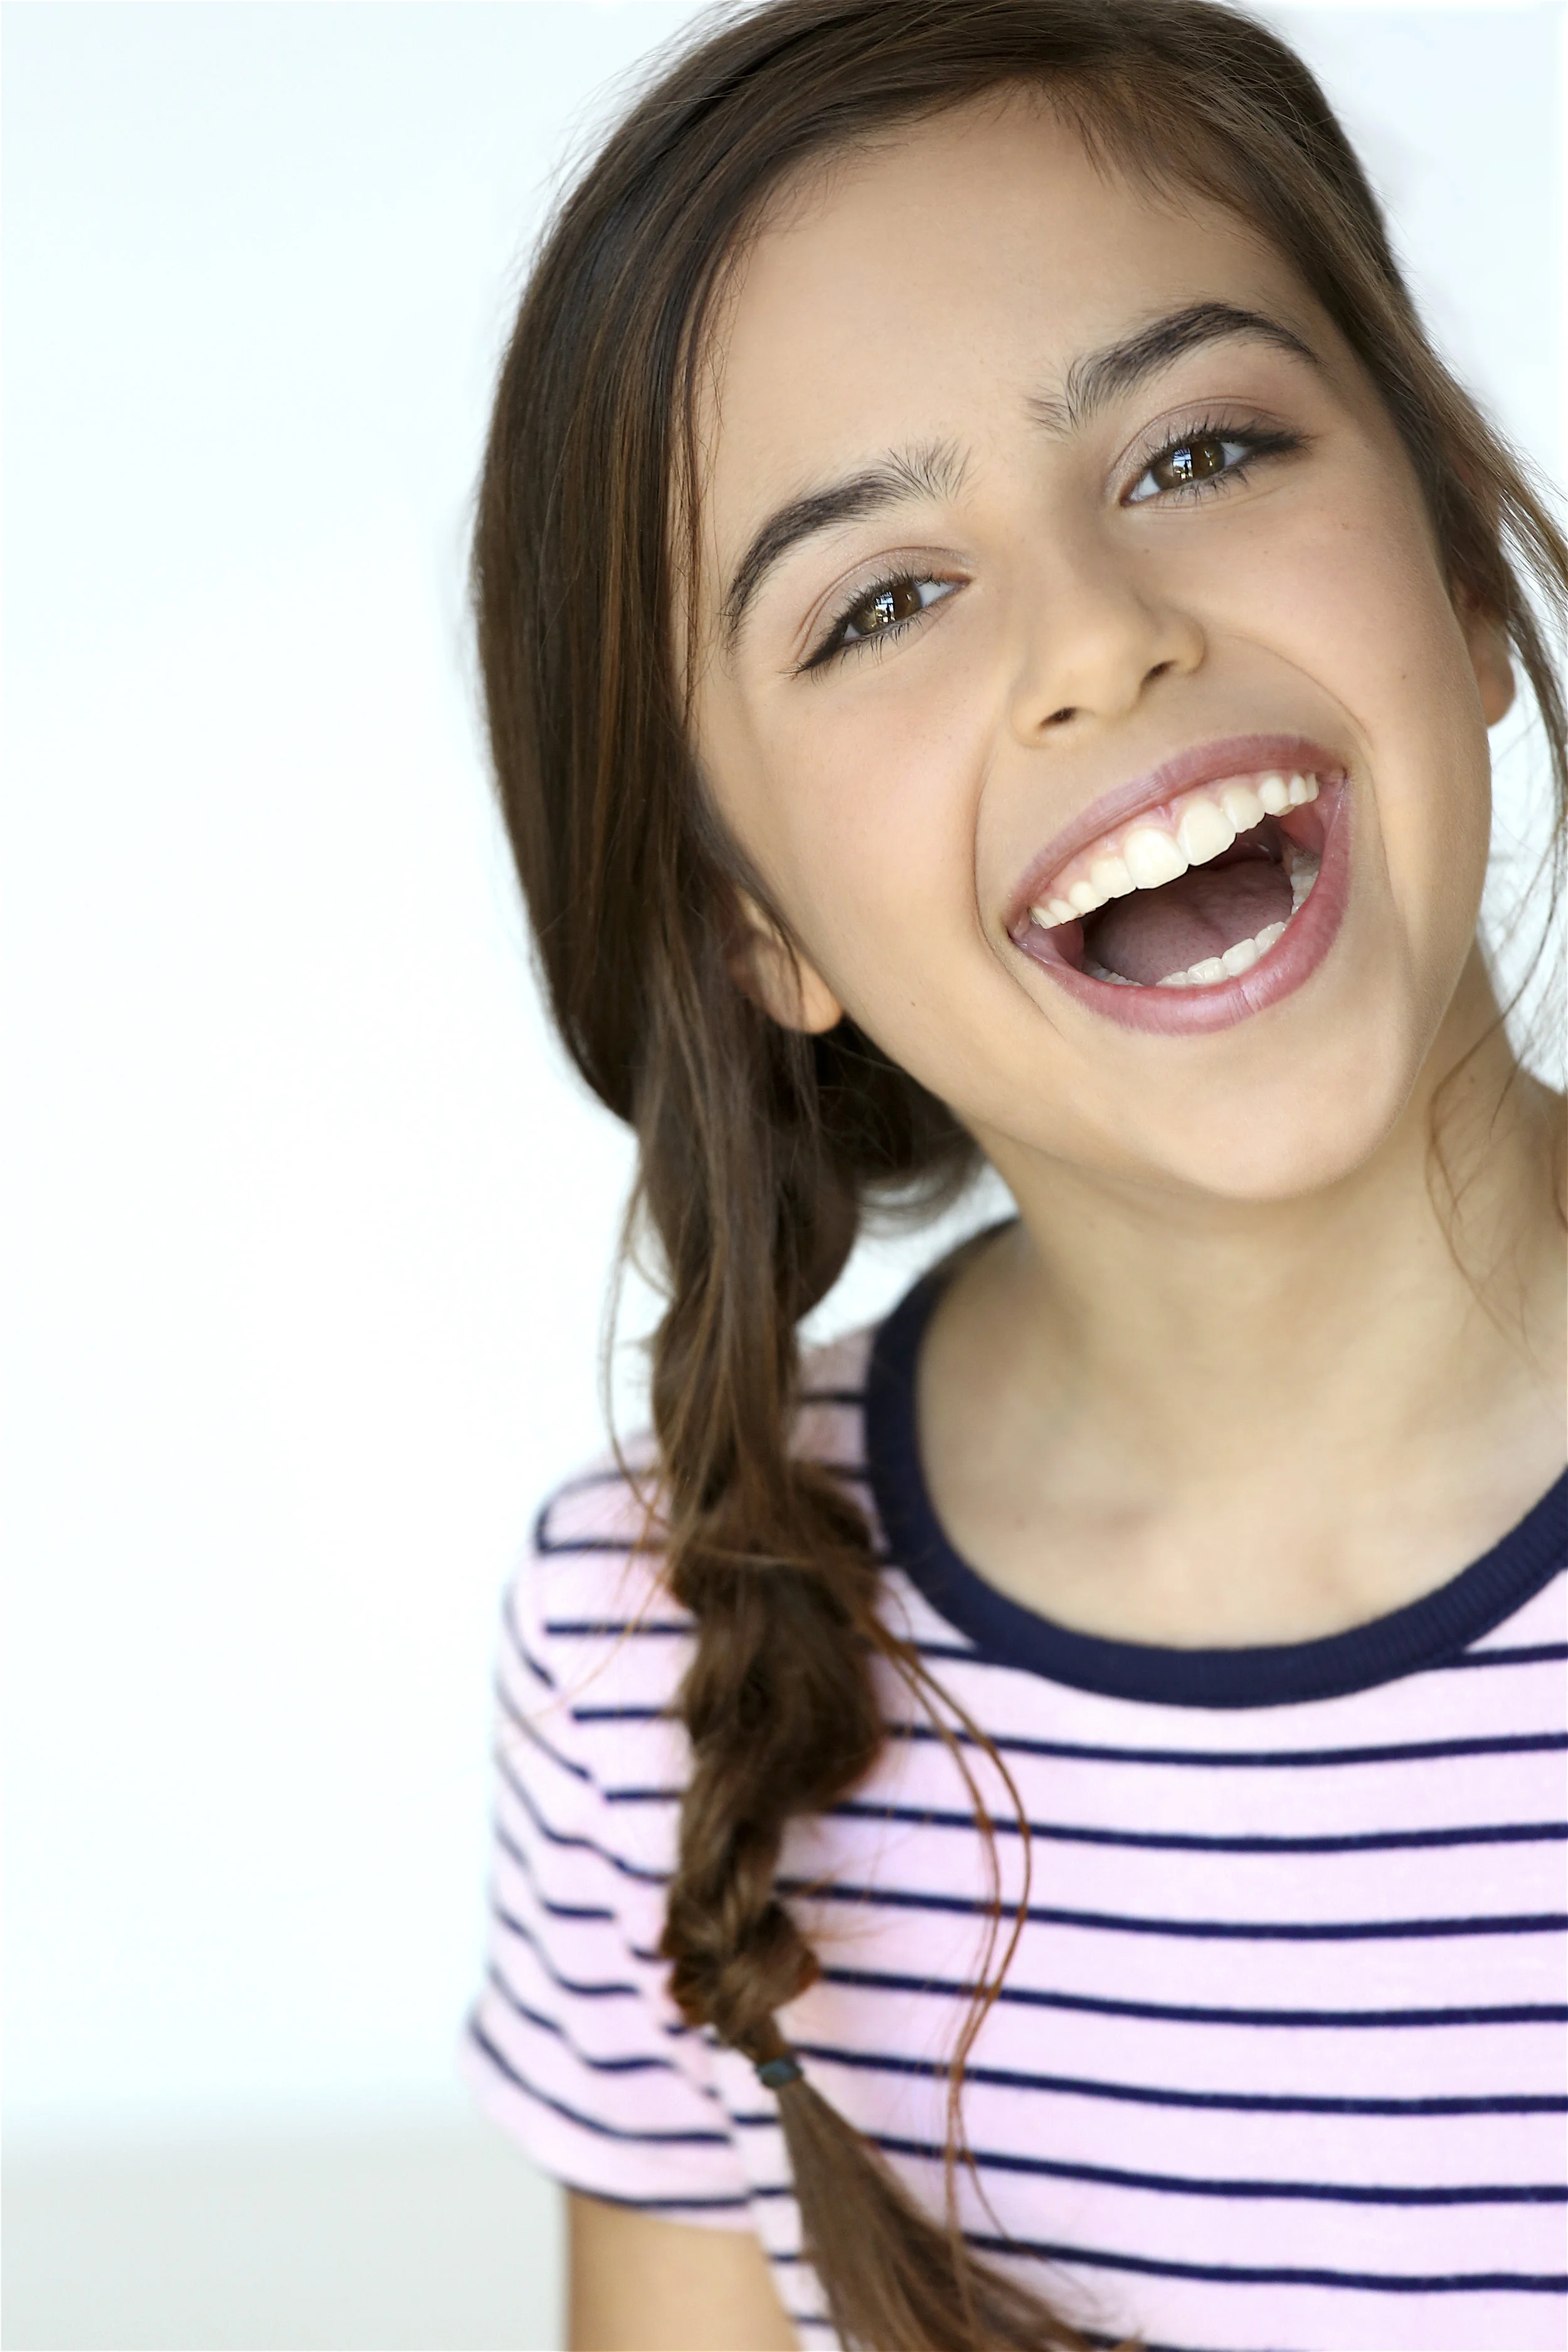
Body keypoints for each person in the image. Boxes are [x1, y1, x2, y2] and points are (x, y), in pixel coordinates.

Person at [457, 3, 1568, 2346]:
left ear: (1462, 567)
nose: (1095, 638)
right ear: (754, 920)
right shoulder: (656, 1650)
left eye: (1196, 451)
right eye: (874, 602)